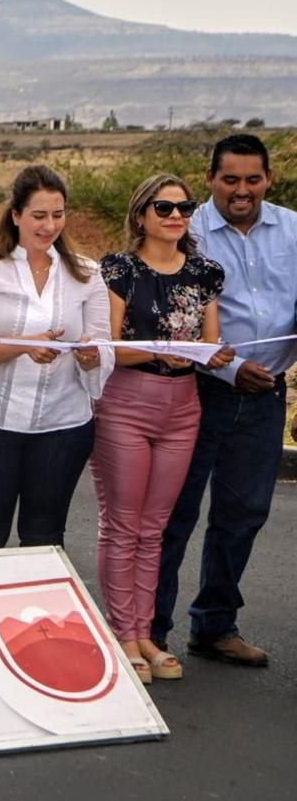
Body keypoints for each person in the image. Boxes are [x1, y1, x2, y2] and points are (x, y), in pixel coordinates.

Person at [154, 135, 297, 667]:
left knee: (244, 515)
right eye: (230, 179)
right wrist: (234, 368)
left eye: (252, 179)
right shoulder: (186, 232)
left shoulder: (293, 228)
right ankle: (151, 634)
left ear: (268, 179)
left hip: (267, 400)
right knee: (175, 515)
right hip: (199, 392)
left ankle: (214, 627)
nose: (242, 190)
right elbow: (174, 319)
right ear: (210, 178)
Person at [90, 174, 232, 684]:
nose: (175, 216)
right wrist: (165, 348)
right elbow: (110, 346)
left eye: (184, 208)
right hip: (127, 401)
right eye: (164, 207)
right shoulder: (119, 269)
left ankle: (145, 634)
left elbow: (210, 346)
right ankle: (121, 633)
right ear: (141, 213)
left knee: (155, 529)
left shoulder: (205, 273)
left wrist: (216, 355)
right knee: (123, 523)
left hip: (183, 405)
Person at [0, 165, 112, 550]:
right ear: (16, 214)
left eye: (58, 214)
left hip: (63, 426)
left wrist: (90, 356)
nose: (49, 225)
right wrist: (25, 344)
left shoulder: (88, 274)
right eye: (39, 215)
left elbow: (103, 347)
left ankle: (35, 613)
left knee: (45, 539)